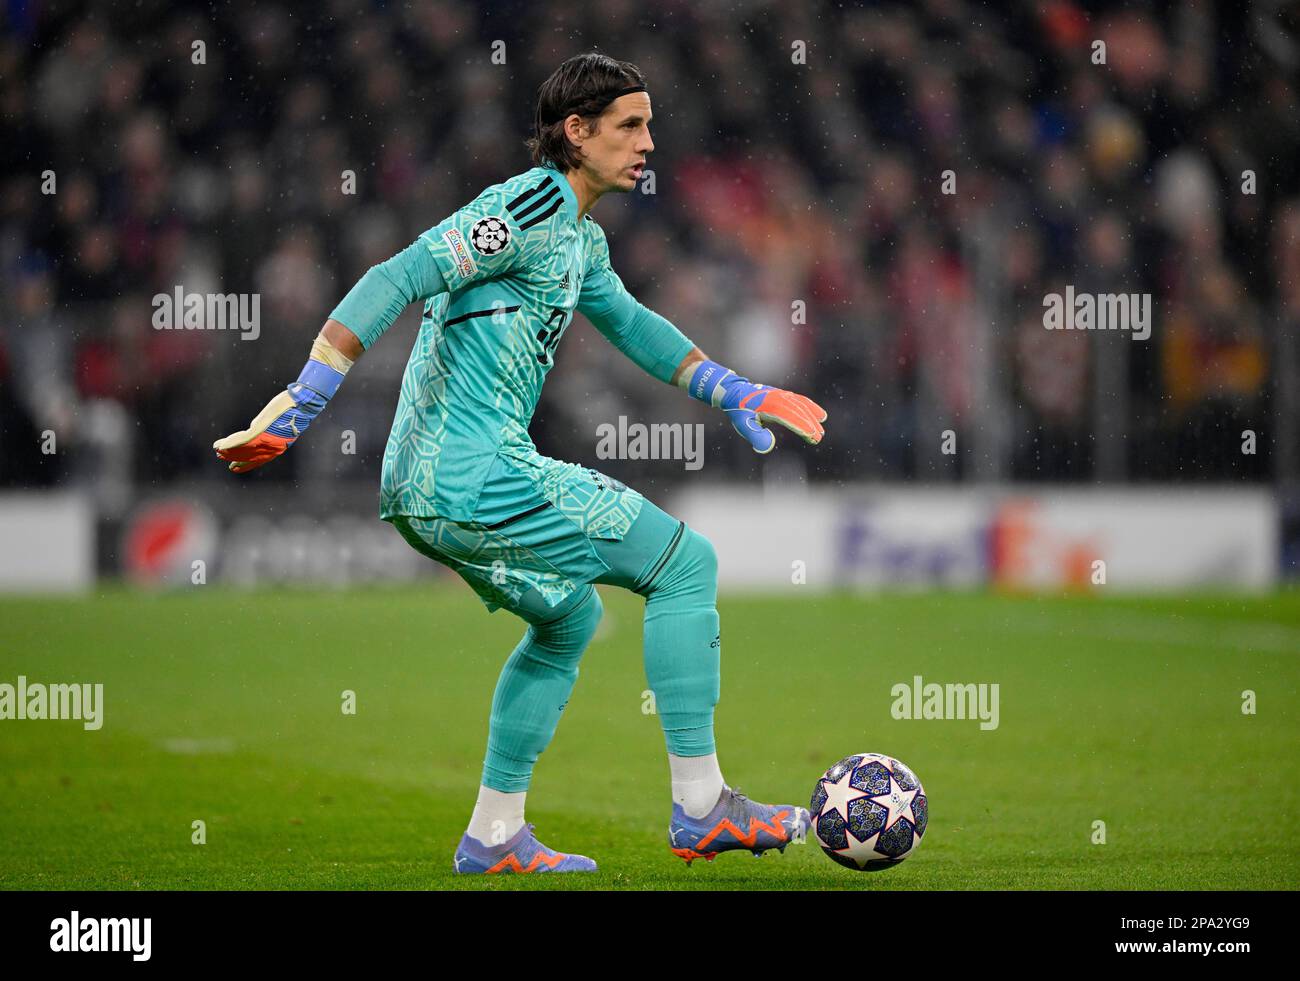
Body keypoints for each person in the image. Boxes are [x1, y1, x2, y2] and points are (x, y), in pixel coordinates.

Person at [214, 52, 827, 875]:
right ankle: (704, 806)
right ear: (576, 131)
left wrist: (731, 389)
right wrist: (306, 396)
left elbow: (632, 322)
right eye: (630, 125)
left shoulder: (580, 237)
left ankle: (495, 834)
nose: (650, 142)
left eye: (650, 123)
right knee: (687, 565)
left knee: (569, 618)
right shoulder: (528, 205)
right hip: (470, 474)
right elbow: (394, 275)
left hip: (422, 488)